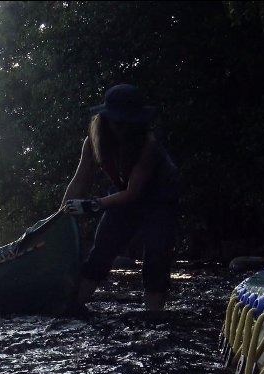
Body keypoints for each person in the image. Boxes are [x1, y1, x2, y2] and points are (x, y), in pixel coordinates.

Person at [59, 84, 180, 312]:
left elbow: (134, 192)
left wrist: (91, 205)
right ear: (105, 120)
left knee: (156, 257)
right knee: (101, 252)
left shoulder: (148, 145)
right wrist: (61, 215)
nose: (124, 129)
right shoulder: (93, 142)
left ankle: (154, 318)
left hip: (159, 200)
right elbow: (79, 181)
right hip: (121, 196)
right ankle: (72, 309)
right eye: (118, 122)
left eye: (130, 123)